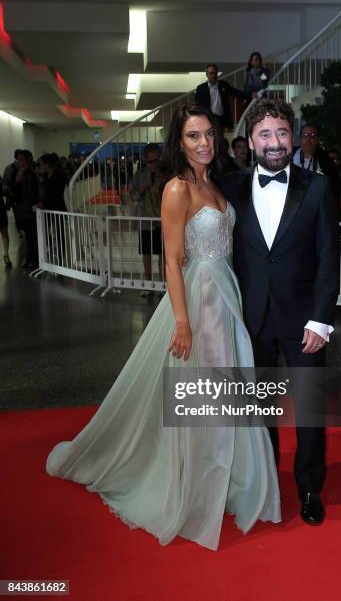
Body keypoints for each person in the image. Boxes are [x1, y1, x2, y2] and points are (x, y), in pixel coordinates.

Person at [46, 102, 281, 551]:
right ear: (179, 142)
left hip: (224, 294)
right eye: (194, 136)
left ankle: (229, 478)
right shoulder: (177, 189)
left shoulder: (212, 184)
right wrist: (182, 320)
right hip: (199, 300)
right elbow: (172, 263)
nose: (205, 143)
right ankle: (195, 483)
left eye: (210, 135)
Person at [221, 99, 339, 525]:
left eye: (283, 133)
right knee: (260, 410)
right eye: (265, 134)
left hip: (305, 321)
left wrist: (321, 319)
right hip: (252, 321)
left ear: (293, 136)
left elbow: (329, 259)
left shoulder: (318, 187)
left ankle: (309, 488)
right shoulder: (229, 188)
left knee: (310, 411)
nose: (276, 142)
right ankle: (266, 480)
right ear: (250, 142)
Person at [130, 143, 163, 296]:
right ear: (145, 159)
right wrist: (142, 191)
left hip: (162, 218)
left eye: (156, 160)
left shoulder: (165, 173)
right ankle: (149, 284)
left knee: (163, 253)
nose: (153, 164)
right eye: (150, 161)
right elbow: (132, 195)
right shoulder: (140, 174)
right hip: (145, 219)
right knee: (147, 253)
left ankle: (163, 284)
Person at [293, 124, 341, 199]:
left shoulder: (326, 160)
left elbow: (335, 186)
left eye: (312, 136)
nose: (308, 139)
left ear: (318, 139)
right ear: (300, 138)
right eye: (305, 135)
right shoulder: (289, 155)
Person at [194, 63, 247, 130]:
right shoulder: (201, 88)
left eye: (215, 73)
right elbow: (197, 105)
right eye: (211, 73)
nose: (213, 75)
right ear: (207, 74)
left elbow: (235, 92)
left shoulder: (223, 85)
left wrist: (250, 95)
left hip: (222, 119)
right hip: (208, 119)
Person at [0, 177, 12, 269]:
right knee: (4, 232)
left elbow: (6, 192)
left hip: (0, 209)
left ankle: (6, 255)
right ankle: (6, 255)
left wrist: (7, 205)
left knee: (4, 232)